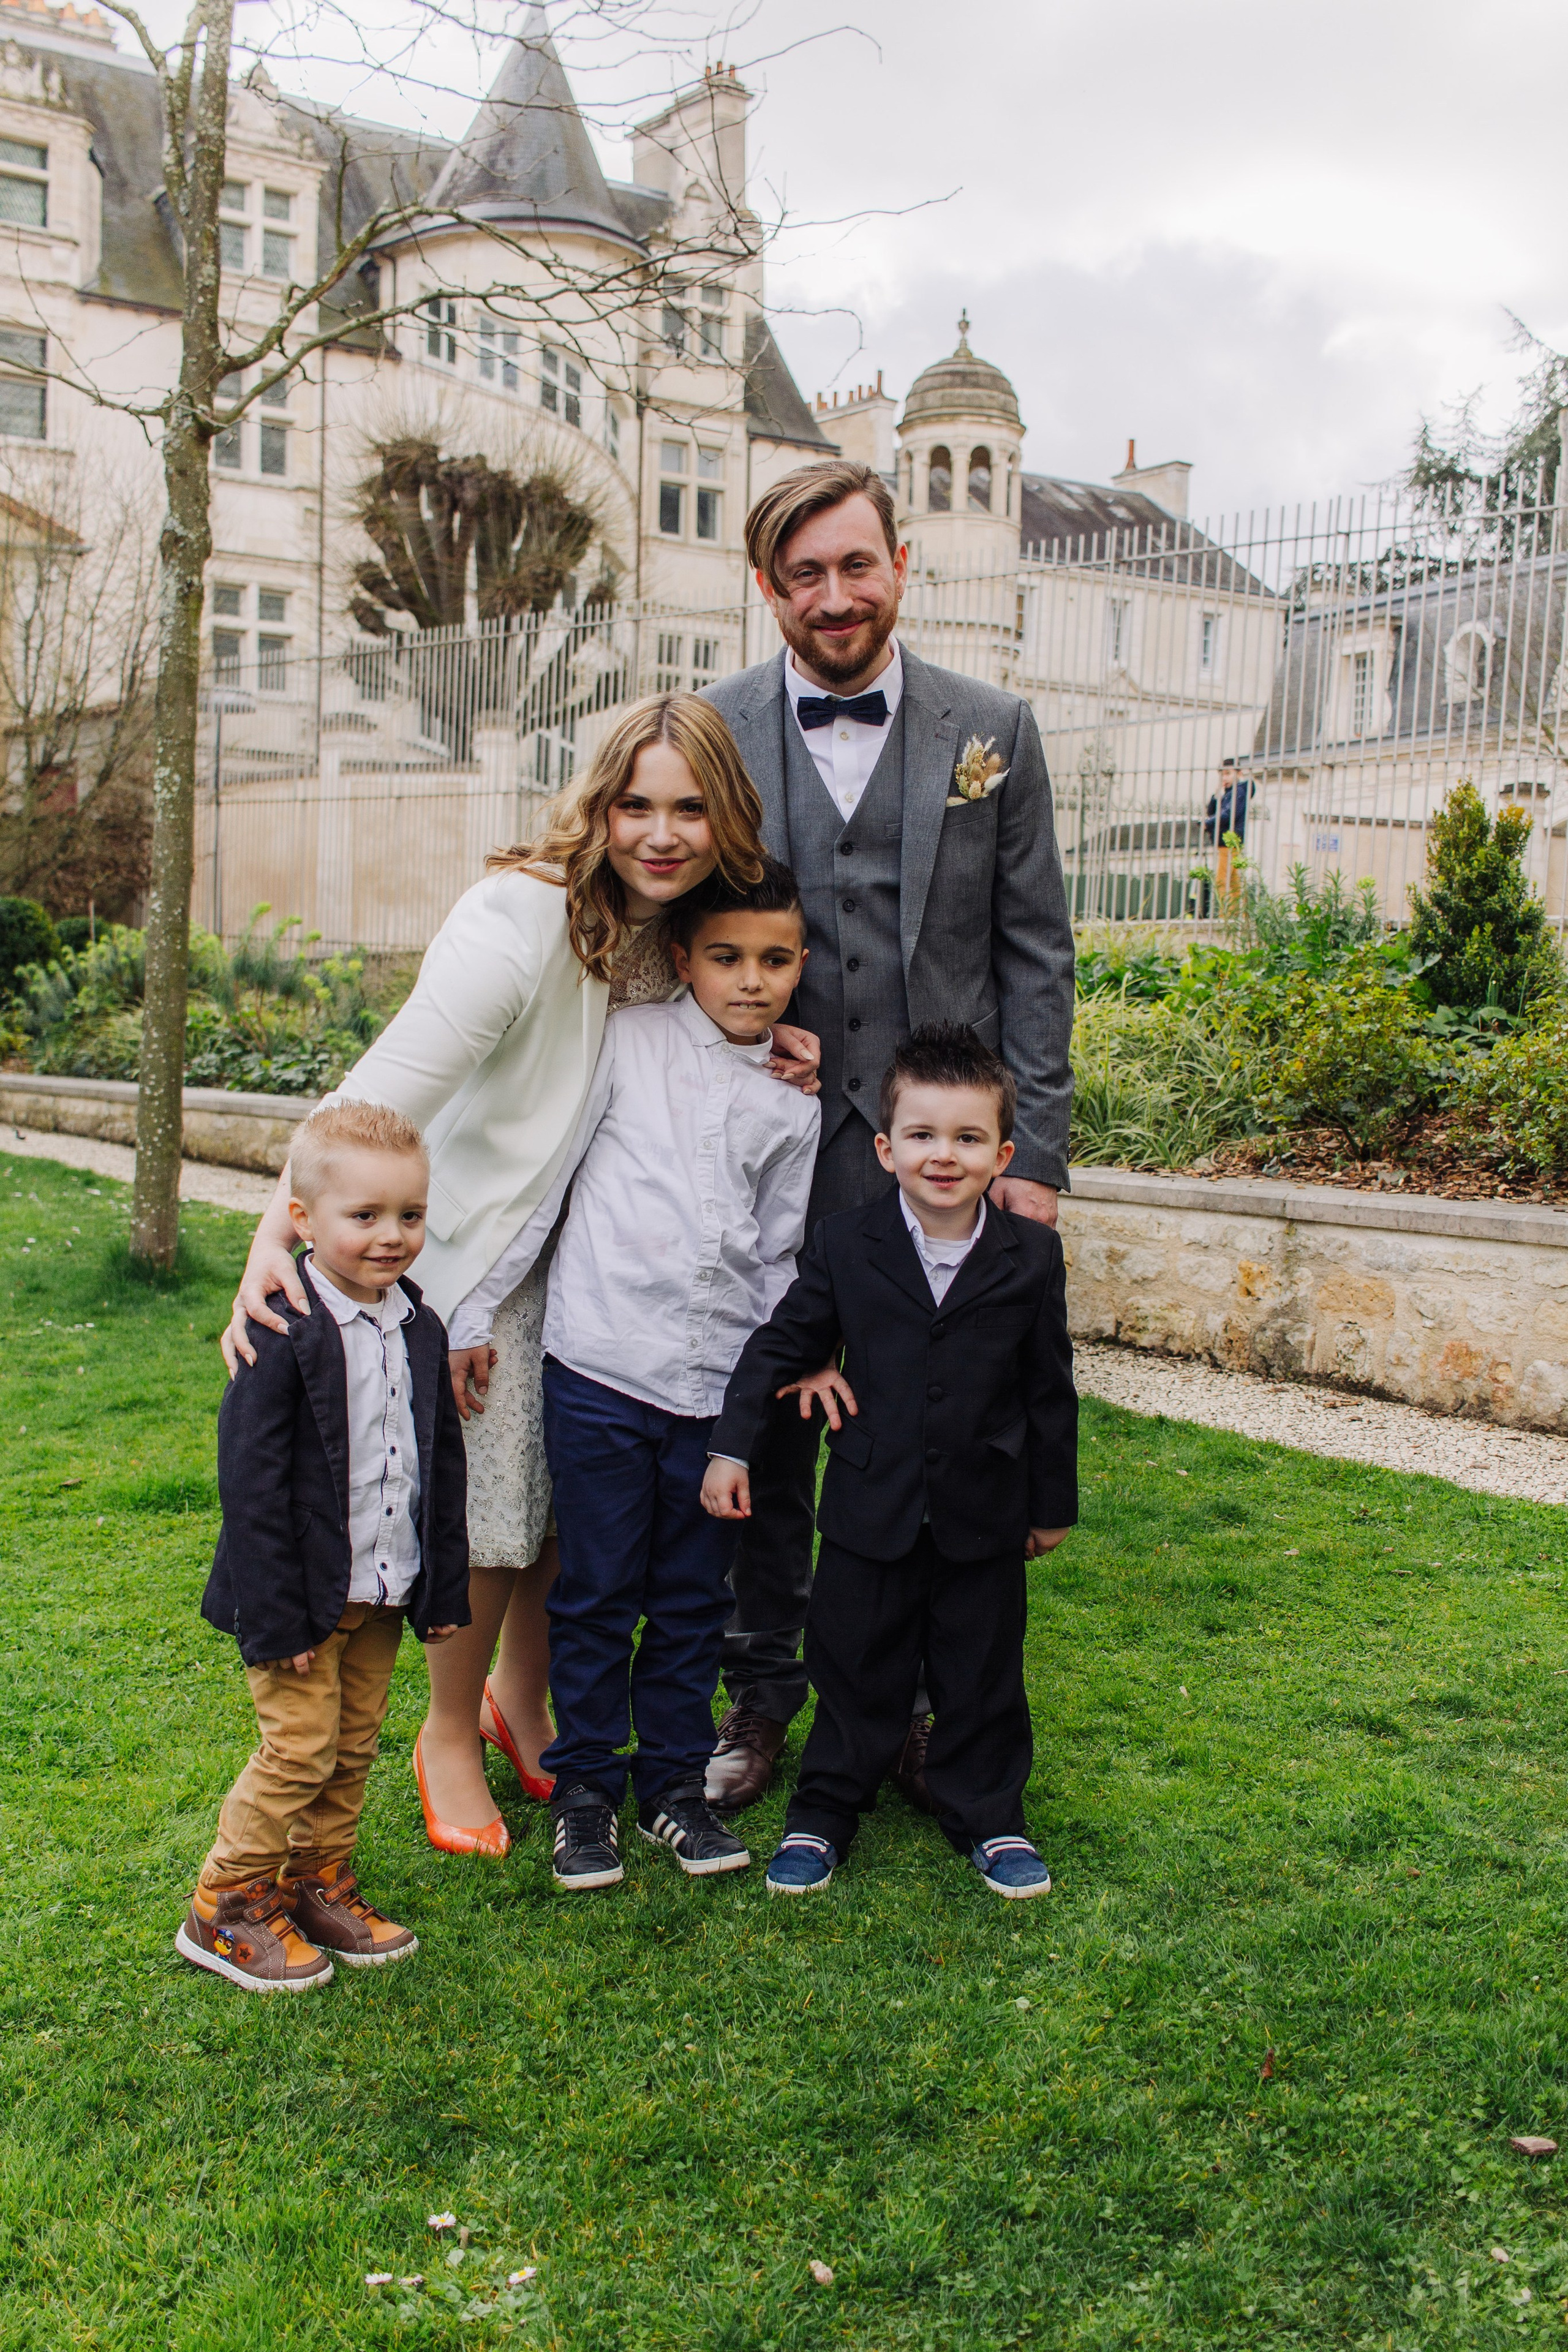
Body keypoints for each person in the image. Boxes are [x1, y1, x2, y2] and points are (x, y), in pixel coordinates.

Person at [221, 695, 820, 1858]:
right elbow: (385, 1091)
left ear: (727, 818)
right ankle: (449, 1730)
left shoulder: (682, 923)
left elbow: (708, 1025)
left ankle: (521, 1703)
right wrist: (278, 1229)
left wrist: (769, 1048)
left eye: (691, 808)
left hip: (603, 1255)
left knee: (563, 1518)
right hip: (479, 1244)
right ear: (596, 806)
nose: (662, 831)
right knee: (492, 1511)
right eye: (635, 804)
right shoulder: (518, 920)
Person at [698, 459, 1076, 1815]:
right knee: (775, 1412)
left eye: (856, 565)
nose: (834, 595)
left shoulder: (994, 730)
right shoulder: (715, 729)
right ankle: (756, 1691)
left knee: (941, 1420)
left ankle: (924, 1701)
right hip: (774, 1141)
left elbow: (1034, 955)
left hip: (943, 1155)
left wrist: (1029, 1166)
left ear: (900, 565)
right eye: (803, 574)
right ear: (766, 590)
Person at [448, 859, 820, 1888]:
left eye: (776, 960)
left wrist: (778, 1373)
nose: (752, 980)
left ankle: (672, 1790)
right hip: (602, 1367)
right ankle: (583, 1794)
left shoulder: (796, 1102)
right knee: (599, 1594)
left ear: (801, 966)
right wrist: (474, 1306)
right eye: (727, 957)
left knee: (695, 1599)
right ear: (684, 958)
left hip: (716, 1393)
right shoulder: (627, 1041)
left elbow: (781, 1256)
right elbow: (545, 1180)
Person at [701, 1024, 1078, 1898]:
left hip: (983, 1513)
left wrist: (1049, 1503)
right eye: (922, 1134)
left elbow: (1048, 1388)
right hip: (873, 1509)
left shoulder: (1030, 1256)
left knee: (982, 1672)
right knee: (855, 1668)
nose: (942, 1155)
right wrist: (731, 1449)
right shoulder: (846, 1243)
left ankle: (991, 1817)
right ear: (885, 1147)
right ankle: (822, 1814)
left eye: (967, 1137)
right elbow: (779, 1344)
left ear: (1002, 1152)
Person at [178, 1102, 470, 1991]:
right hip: (300, 1600)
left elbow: (440, 1466)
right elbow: (253, 1489)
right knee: (297, 1750)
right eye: (366, 1216)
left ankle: (314, 1882)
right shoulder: (282, 1327)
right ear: (301, 1219)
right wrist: (276, 1618)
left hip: (383, 1590)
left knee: (350, 1748)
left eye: (410, 1216)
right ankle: (224, 1907)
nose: (392, 1237)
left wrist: (443, 1593)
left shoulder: (420, 1327)